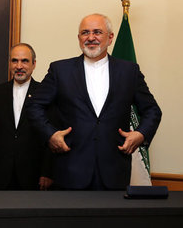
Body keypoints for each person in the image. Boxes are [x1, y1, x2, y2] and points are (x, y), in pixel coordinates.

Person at [27, 13, 161, 190]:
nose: (91, 38)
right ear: (79, 38)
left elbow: (152, 110)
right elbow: (34, 106)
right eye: (85, 33)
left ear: (110, 37)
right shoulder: (60, 70)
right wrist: (50, 134)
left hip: (114, 171)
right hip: (70, 171)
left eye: (97, 32)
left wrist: (140, 134)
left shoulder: (129, 71)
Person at [0, 43, 52, 190]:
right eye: (14, 61)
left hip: (34, 174)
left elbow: (50, 136)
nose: (19, 66)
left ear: (34, 64)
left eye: (24, 61)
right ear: (9, 64)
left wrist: (47, 172)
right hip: (2, 173)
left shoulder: (44, 92)